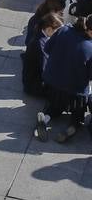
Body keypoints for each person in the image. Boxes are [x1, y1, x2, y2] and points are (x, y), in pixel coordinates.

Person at [35, 15, 92, 143]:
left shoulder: (64, 30)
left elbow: (47, 48)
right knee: (78, 112)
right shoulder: (90, 47)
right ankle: (73, 126)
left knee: (55, 106)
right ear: (90, 31)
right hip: (75, 91)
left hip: (51, 83)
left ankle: (45, 118)